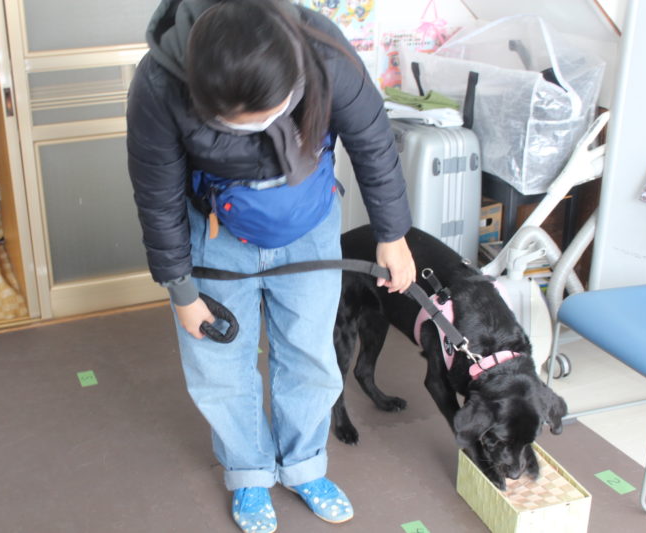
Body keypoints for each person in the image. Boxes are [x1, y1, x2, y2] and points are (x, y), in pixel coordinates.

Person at [127, 1, 415, 531]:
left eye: (271, 113)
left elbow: (372, 140)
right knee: (218, 365)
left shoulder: (322, 48)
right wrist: (181, 289)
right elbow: (157, 196)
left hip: (309, 223)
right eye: (238, 124)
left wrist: (392, 235)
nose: (260, 128)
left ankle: (304, 466)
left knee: (310, 351)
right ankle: (248, 473)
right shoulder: (159, 83)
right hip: (216, 233)